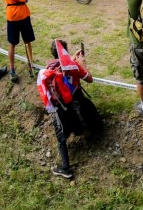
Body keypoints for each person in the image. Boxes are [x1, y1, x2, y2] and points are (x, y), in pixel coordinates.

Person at [37, 39, 102, 179]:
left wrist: (72, 58)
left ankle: (65, 167)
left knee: (61, 139)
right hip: (80, 105)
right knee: (89, 108)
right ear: (64, 51)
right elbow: (89, 79)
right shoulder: (74, 66)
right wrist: (81, 63)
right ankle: (93, 133)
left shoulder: (49, 68)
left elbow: (62, 66)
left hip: (62, 110)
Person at [2, 0, 35, 83]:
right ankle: (31, 65)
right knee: (27, 41)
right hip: (22, 13)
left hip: (11, 13)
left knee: (12, 43)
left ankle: (12, 69)